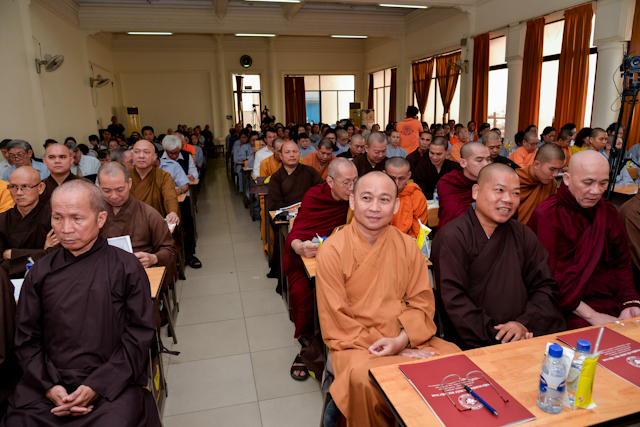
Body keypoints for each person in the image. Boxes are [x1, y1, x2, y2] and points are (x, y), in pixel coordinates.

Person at [2, 180, 160, 427]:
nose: (65, 229)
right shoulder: (41, 271)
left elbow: (140, 334)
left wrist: (96, 385)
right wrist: (50, 387)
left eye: (77, 218)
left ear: (100, 219)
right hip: (47, 382)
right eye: (57, 218)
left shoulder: (125, 266)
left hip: (112, 382)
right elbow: (26, 338)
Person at [316, 171, 460, 427]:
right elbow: (336, 319)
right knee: (367, 380)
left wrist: (401, 341)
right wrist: (394, 350)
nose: (375, 207)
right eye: (366, 198)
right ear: (352, 201)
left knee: (453, 360)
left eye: (384, 199)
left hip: (407, 337)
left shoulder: (407, 246)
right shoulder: (332, 250)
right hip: (356, 345)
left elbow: (423, 303)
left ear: (395, 205)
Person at [432, 163, 566, 350]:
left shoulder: (522, 234)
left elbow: (544, 285)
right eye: (499, 190)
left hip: (524, 335)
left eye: (515, 193)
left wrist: (523, 324)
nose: (508, 199)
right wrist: (500, 336)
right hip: (473, 342)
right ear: (476, 192)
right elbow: (453, 301)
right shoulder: (452, 236)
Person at [528, 151, 640, 329]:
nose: (596, 191)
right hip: (563, 304)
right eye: (587, 183)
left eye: (603, 183)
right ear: (567, 179)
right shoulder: (547, 215)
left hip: (608, 299)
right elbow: (546, 277)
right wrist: (592, 316)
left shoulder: (608, 212)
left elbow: (621, 263)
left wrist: (630, 302)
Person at [283, 159, 357, 380]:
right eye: (346, 183)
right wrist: (299, 246)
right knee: (301, 294)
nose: (352, 187)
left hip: (346, 261)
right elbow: (297, 233)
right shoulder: (315, 196)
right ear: (330, 182)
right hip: (311, 260)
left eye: (355, 181)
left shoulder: (360, 198)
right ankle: (306, 346)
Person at [98, 162, 176, 289]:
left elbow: (170, 250)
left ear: (129, 183)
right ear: (98, 185)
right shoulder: (93, 215)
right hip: (102, 277)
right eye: (106, 191)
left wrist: (154, 258)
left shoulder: (149, 214)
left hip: (140, 277)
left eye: (120, 190)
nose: (114, 196)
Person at [0, 167, 57, 279]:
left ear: (40, 188)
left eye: (25, 186)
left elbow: (57, 256)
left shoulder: (55, 217)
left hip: (47, 279)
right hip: (7, 282)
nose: (19, 193)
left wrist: (12, 254)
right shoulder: (2, 219)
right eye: (13, 187)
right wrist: (43, 253)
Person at [437, 142, 491, 230]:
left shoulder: (491, 182)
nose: (486, 164)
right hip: (454, 233)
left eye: (488, 159)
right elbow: (456, 214)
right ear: (463, 163)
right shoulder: (448, 182)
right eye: (479, 160)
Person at [129, 140, 180, 227]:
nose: (141, 156)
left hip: (156, 225)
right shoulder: (124, 176)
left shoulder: (164, 176)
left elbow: (170, 197)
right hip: (130, 225)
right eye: (137, 152)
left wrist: (172, 212)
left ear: (154, 156)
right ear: (132, 156)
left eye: (146, 152)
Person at [515, 143, 565, 224]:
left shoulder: (552, 184)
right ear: (536, 164)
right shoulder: (514, 179)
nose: (556, 174)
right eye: (552, 169)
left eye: (559, 170)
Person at [268, 141, 323, 211]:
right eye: (287, 152)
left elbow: (321, 194)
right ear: (281, 156)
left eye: (295, 151)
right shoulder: (276, 177)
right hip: (286, 215)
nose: (292, 155)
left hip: (309, 212)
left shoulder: (311, 171)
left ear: (300, 154)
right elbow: (275, 204)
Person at [385, 157, 427, 238]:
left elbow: (418, 231)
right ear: (384, 174)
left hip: (408, 242)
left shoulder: (417, 197)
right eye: (392, 178)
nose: (397, 184)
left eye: (401, 179)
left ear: (409, 176)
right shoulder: (376, 196)